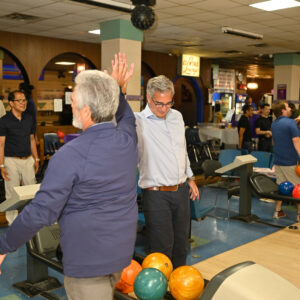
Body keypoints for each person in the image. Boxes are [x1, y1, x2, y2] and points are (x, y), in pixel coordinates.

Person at [0, 53, 138, 300]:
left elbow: (41, 212)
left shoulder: (70, 155)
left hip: (88, 264)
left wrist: (4, 246)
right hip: (119, 257)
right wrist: (115, 89)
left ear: (85, 110)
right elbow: (126, 117)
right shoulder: (127, 141)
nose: (71, 105)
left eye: (73, 100)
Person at [135, 75, 199, 269]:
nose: (163, 109)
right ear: (148, 97)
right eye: (158, 104)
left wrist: (191, 178)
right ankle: (160, 290)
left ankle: (178, 287)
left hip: (181, 191)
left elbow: (182, 150)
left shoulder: (177, 117)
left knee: (181, 245)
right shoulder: (138, 122)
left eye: (168, 103)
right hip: (156, 194)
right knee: (162, 248)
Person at [0, 90, 39, 211]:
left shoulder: (29, 118)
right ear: (11, 103)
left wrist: (36, 158)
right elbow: (1, 144)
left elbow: (32, 139)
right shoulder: (4, 121)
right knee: (12, 194)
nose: (23, 103)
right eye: (19, 100)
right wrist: (1, 165)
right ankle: (12, 225)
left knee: (32, 192)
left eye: (24, 100)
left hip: (28, 159)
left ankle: (31, 222)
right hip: (10, 160)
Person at [271, 101, 300, 221]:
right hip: (291, 161)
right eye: (288, 107)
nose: (291, 109)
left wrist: (296, 120)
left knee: (280, 187)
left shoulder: (274, 124)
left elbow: (286, 128)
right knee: (297, 188)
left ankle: (278, 211)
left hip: (278, 161)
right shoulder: (291, 123)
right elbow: (296, 141)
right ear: (283, 110)